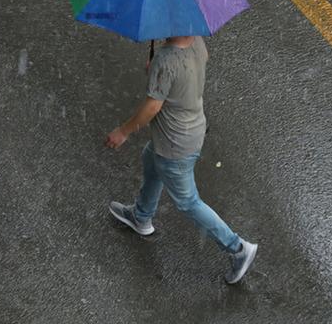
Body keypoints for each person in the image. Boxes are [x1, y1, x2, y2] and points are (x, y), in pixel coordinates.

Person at [104, 35, 257, 284]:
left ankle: (238, 248)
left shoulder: (165, 60)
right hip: (191, 128)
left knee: (187, 201)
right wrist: (157, 71)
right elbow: (189, 70)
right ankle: (141, 217)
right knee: (151, 158)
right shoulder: (196, 41)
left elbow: (153, 107)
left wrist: (123, 131)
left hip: (175, 143)